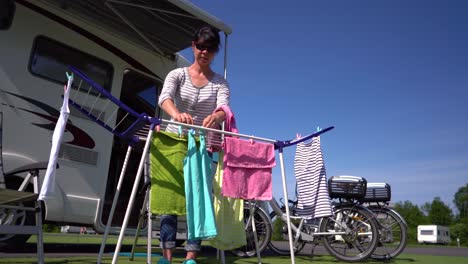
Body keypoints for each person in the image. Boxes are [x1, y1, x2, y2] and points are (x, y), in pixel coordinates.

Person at [156, 26, 230, 264]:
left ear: (216, 51)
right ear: (193, 46)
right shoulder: (177, 75)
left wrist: (217, 117)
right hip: (174, 141)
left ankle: (190, 256)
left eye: (210, 48)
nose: (204, 52)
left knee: (198, 199)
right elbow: (164, 98)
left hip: (204, 145)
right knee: (170, 198)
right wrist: (176, 113)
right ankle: (166, 256)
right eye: (200, 46)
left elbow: (224, 107)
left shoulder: (220, 82)